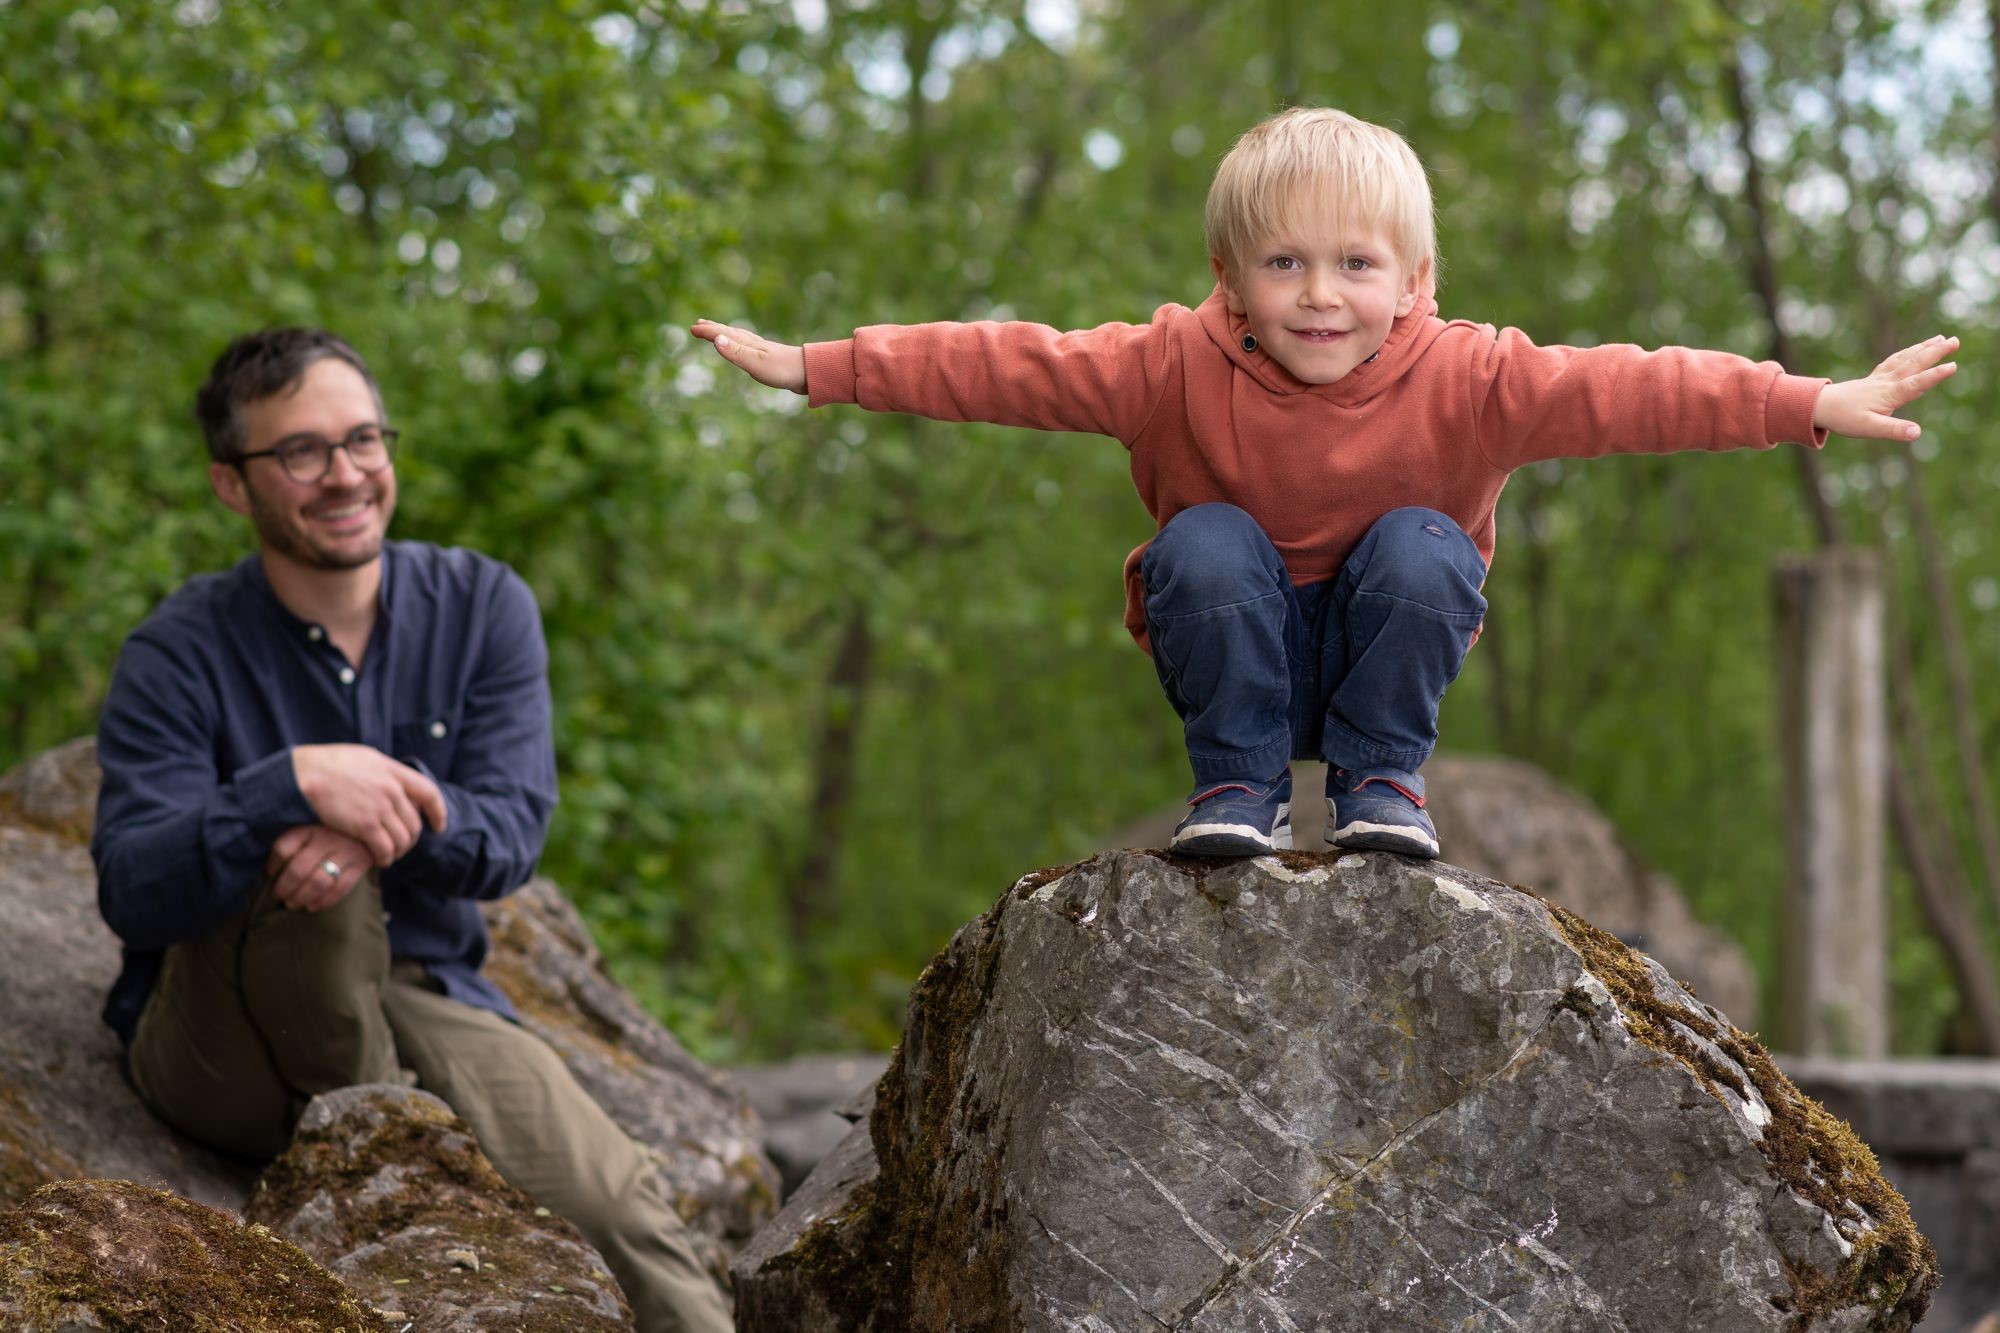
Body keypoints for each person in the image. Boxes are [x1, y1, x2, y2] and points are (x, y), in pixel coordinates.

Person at [692, 105, 1957, 859]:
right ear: (1228, 275)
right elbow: (1000, 363)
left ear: (1413, 279)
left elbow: (1637, 387)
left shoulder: (1474, 379)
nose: (1317, 294)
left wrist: (1806, 402)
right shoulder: (1167, 365)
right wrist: (815, 367)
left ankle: (1378, 785)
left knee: (1421, 542)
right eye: (1283, 262)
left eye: (1354, 263)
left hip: (1380, 647)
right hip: (1229, 640)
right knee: (1204, 541)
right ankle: (1238, 787)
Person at [91, 327, 733, 1333]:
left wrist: (373, 807)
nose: (343, 474)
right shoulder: (178, 650)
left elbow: (510, 831)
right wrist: (290, 784)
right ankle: (394, 1173)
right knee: (313, 863)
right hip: (219, 1036)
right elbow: (133, 883)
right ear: (232, 485)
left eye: (363, 439)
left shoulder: (481, 606)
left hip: (422, 992)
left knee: (616, 1206)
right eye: (300, 451)